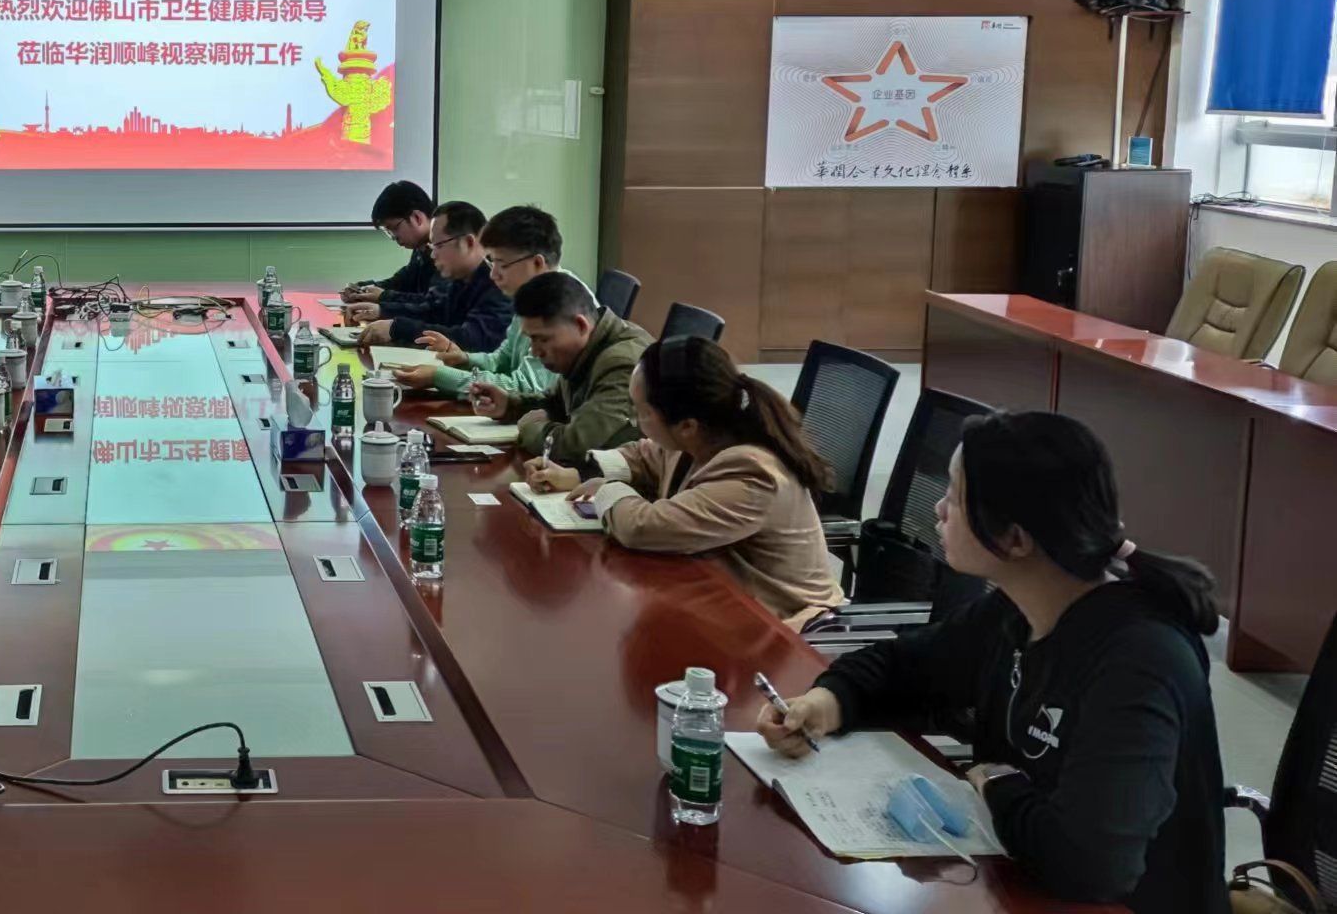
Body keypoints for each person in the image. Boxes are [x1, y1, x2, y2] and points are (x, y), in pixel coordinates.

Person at [754, 411, 1223, 914]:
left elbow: (1090, 864)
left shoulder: (1140, 660)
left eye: (955, 497)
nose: (939, 510)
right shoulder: (1017, 609)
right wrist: (826, 703)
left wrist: (996, 782)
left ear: (1016, 539)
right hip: (1017, 878)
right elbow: (901, 667)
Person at [530, 335, 844, 627]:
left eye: (642, 412)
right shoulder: (702, 435)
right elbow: (644, 456)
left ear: (687, 426)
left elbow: (645, 527)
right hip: (719, 602)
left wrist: (608, 489)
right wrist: (579, 474)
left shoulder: (751, 473)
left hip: (783, 629)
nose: (634, 421)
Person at [388, 204, 564, 401]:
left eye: (502, 264)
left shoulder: (560, 306)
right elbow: (503, 360)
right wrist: (465, 359)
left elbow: (525, 387)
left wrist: (439, 376)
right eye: (492, 263)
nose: (493, 274)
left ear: (537, 263)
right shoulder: (531, 295)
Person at [473, 271, 652, 464]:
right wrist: (510, 405)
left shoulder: (622, 364)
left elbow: (577, 446)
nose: (535, 351)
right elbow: (556, 404)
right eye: (531, 339)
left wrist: (530, 429)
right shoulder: (586, 347)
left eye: (543, 339)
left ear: (580, 325)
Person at [349, 201, 512, 351]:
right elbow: (434, 312)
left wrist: (398, 328)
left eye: (438, 246)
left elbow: (472, 340)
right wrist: (383, 311)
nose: (433, 255)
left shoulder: (500, 282)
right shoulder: (462, 278)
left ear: (468, 243)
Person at [341, 180, 437, 307]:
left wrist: (383, 297)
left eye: (394, 228)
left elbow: (433, 304)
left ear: (416, 218)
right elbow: (401, 282)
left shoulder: (445, 249)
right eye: (388, 232)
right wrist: (362, 289)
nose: (393, 237)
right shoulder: (421, 248)